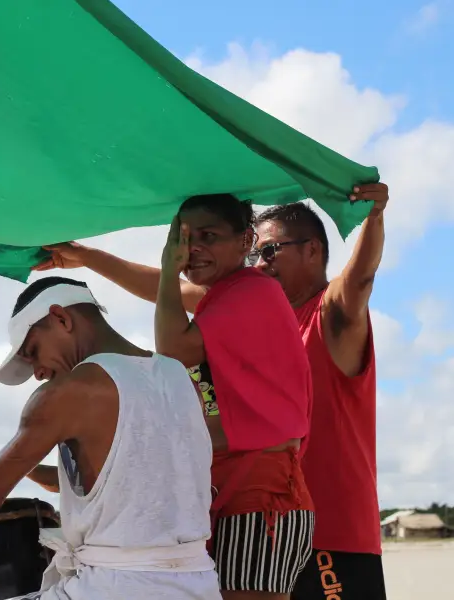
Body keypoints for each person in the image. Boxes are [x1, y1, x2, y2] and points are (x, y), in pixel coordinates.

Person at [39, 194, 315, 599]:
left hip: (261, 496)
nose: (193, 250)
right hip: (232, 488)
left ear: (245, 241)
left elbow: (171, 351)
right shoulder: (226, 294)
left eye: (209, 236)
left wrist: (170, 266)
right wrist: (88, 257)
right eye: (184, 240)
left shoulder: (253, 291)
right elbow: (160, 289)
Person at [0, 276, 221, 600]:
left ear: (61, 318)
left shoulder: (69, 390)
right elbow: (130, 481)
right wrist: (28, 469)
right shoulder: (180, 377)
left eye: (32, 352)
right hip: (197, 583)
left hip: (114, 587)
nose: (38, 373)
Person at [252, 186, 390, 600]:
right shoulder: (270, 324)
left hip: (334, 536)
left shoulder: (329, 313)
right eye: (254, 255)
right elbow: (178, 294)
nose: (259, 264)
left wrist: (374, 216)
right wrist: (90, 257)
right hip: (276, 538)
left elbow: (360, 276)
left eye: (269, 251)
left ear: (311, 249)